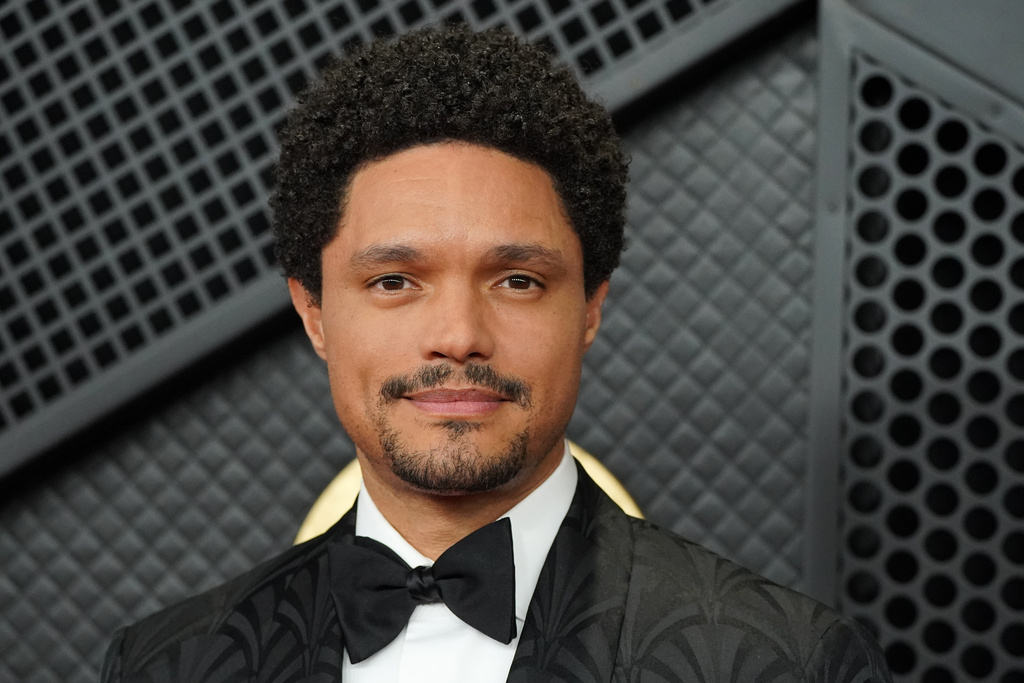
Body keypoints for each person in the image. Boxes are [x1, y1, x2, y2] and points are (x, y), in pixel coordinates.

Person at [102, 25, 891, 682]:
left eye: (517, 279)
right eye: (394, 281)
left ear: (590, 308)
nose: (458, 333)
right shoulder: (165, 662)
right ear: (313, 313)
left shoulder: (785, 659)